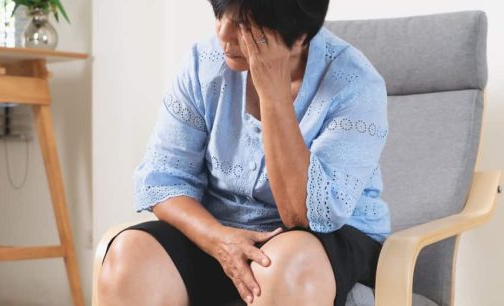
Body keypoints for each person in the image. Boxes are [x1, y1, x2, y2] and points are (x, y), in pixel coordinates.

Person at [99, 0, 391, 305]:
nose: (223, 32)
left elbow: (302, 213)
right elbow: (163, 181)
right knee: (129, 254)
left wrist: (273, 93)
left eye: (244, 25)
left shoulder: (355, 84)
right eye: (220, 14)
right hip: (221, 231)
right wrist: (219, 239)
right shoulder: (204, 63)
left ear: (300, 36)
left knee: (286, 266)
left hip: (326, 236)